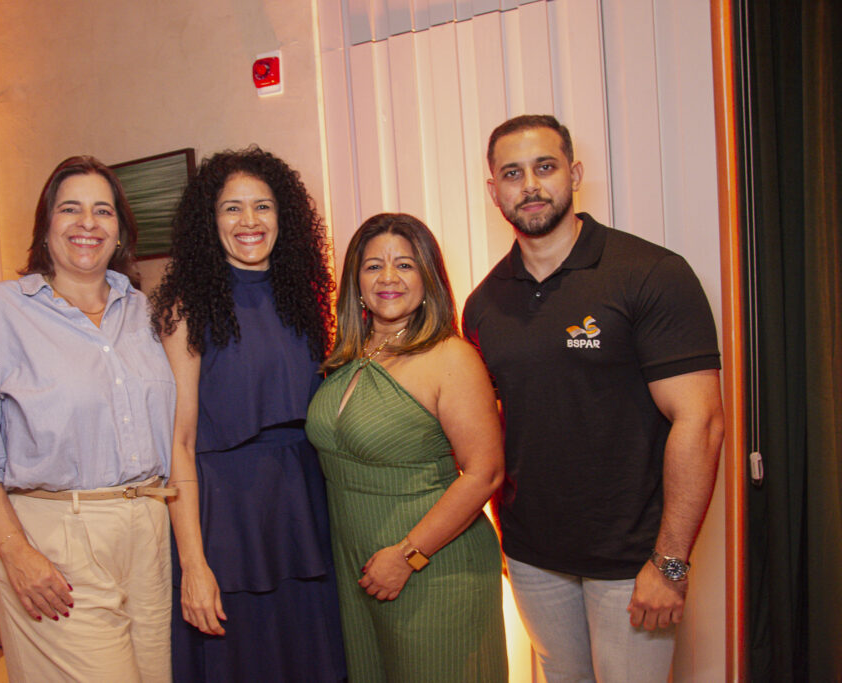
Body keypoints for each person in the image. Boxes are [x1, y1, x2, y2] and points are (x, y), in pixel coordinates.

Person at [463, 114, 726, 682]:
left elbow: (701, 421)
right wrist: (506, 541)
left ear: (574, 174)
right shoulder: (483, 304)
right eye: (512, 173)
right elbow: (496, 428)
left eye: (545, 167)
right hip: (532, 557)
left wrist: (670, 562)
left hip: (632, 559)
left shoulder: (651, 273)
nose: (530, 185)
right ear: (493, 190)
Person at [0, 156, 177, 682]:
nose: (87, 223)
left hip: (149, 533)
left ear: (120, 231)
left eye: (103, 211)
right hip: (55, 539)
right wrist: (15, 553)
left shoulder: (144, 314)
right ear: (45, 226)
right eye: (70, 209)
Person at [151, 146, 346, 682]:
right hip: (228, 515)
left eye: (262, 206)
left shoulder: (304, 300)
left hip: (303, 506)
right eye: (231, 208)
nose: (249, 221)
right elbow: (179, 443)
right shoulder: (186, 308)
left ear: (284, 217)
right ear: (208, 221)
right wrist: (193, 563)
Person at [306, 212, 508, 682]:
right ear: (356, 282)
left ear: (428, 278)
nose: (388, 278)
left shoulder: (451, 357)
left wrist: (407, 556)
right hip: (357, 569)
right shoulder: (348, 355)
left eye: (405, 265)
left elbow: (485, 473)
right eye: (374, 265)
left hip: (432, 567)